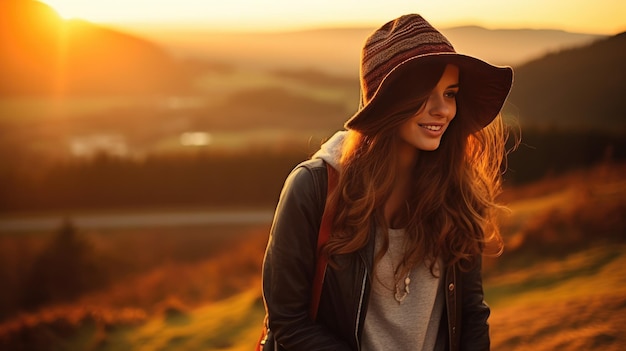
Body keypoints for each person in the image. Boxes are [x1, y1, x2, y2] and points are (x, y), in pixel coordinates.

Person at [261, 14, 513, 351]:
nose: (442, 110)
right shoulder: (313, 188)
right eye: (426, 93)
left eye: (450, 93)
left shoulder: (456, 190)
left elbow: (471, 314)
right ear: (387, 103)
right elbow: (288, 322)